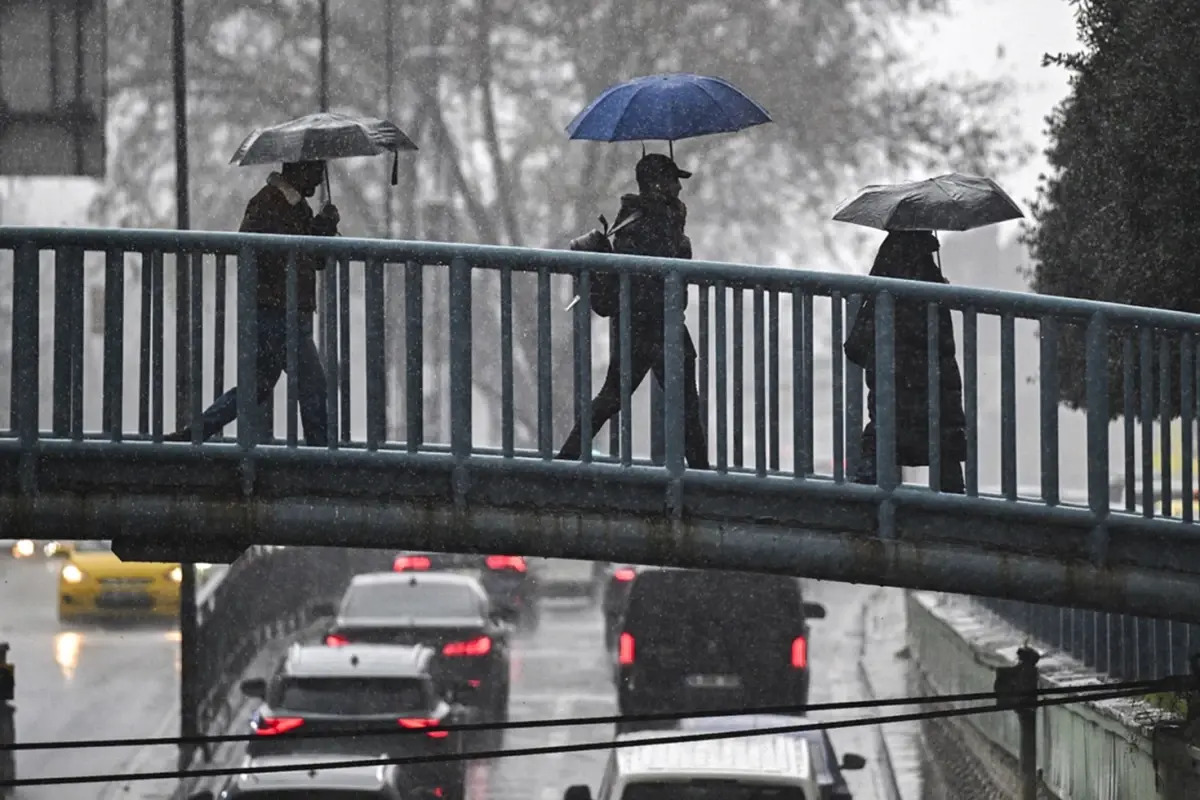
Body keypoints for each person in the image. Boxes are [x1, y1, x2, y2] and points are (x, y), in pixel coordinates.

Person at [167, 160, 339, 445]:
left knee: (254, 388)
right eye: (316, 172)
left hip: (279, 311)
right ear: (298, 169)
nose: (319, 181)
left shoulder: (294, 206)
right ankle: (321, 461)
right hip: (280, 312)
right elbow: (279, 257)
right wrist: (314, 235)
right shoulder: (268, 203)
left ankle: (194, 433)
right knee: (312, 386)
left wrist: (324, 228)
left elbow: (312, 259)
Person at [557, 153, 709, 469]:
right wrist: (678, 243)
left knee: (620, 398)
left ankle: (564, 462)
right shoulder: (639, 225)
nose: (679, 189)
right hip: (651, 326)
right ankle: (702, 478)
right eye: (673, 180)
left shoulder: (653, 220)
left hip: (650, 326)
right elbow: (653, 280)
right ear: (656, 184)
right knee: (674, 404)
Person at [843, 230, 966, 492]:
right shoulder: (924, 273)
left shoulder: (887, 267)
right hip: (932, 381)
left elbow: (860, 341)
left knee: (886, 430)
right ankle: (954, 498)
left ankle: (870, 488)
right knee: (941, 434)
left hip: (895, 377)